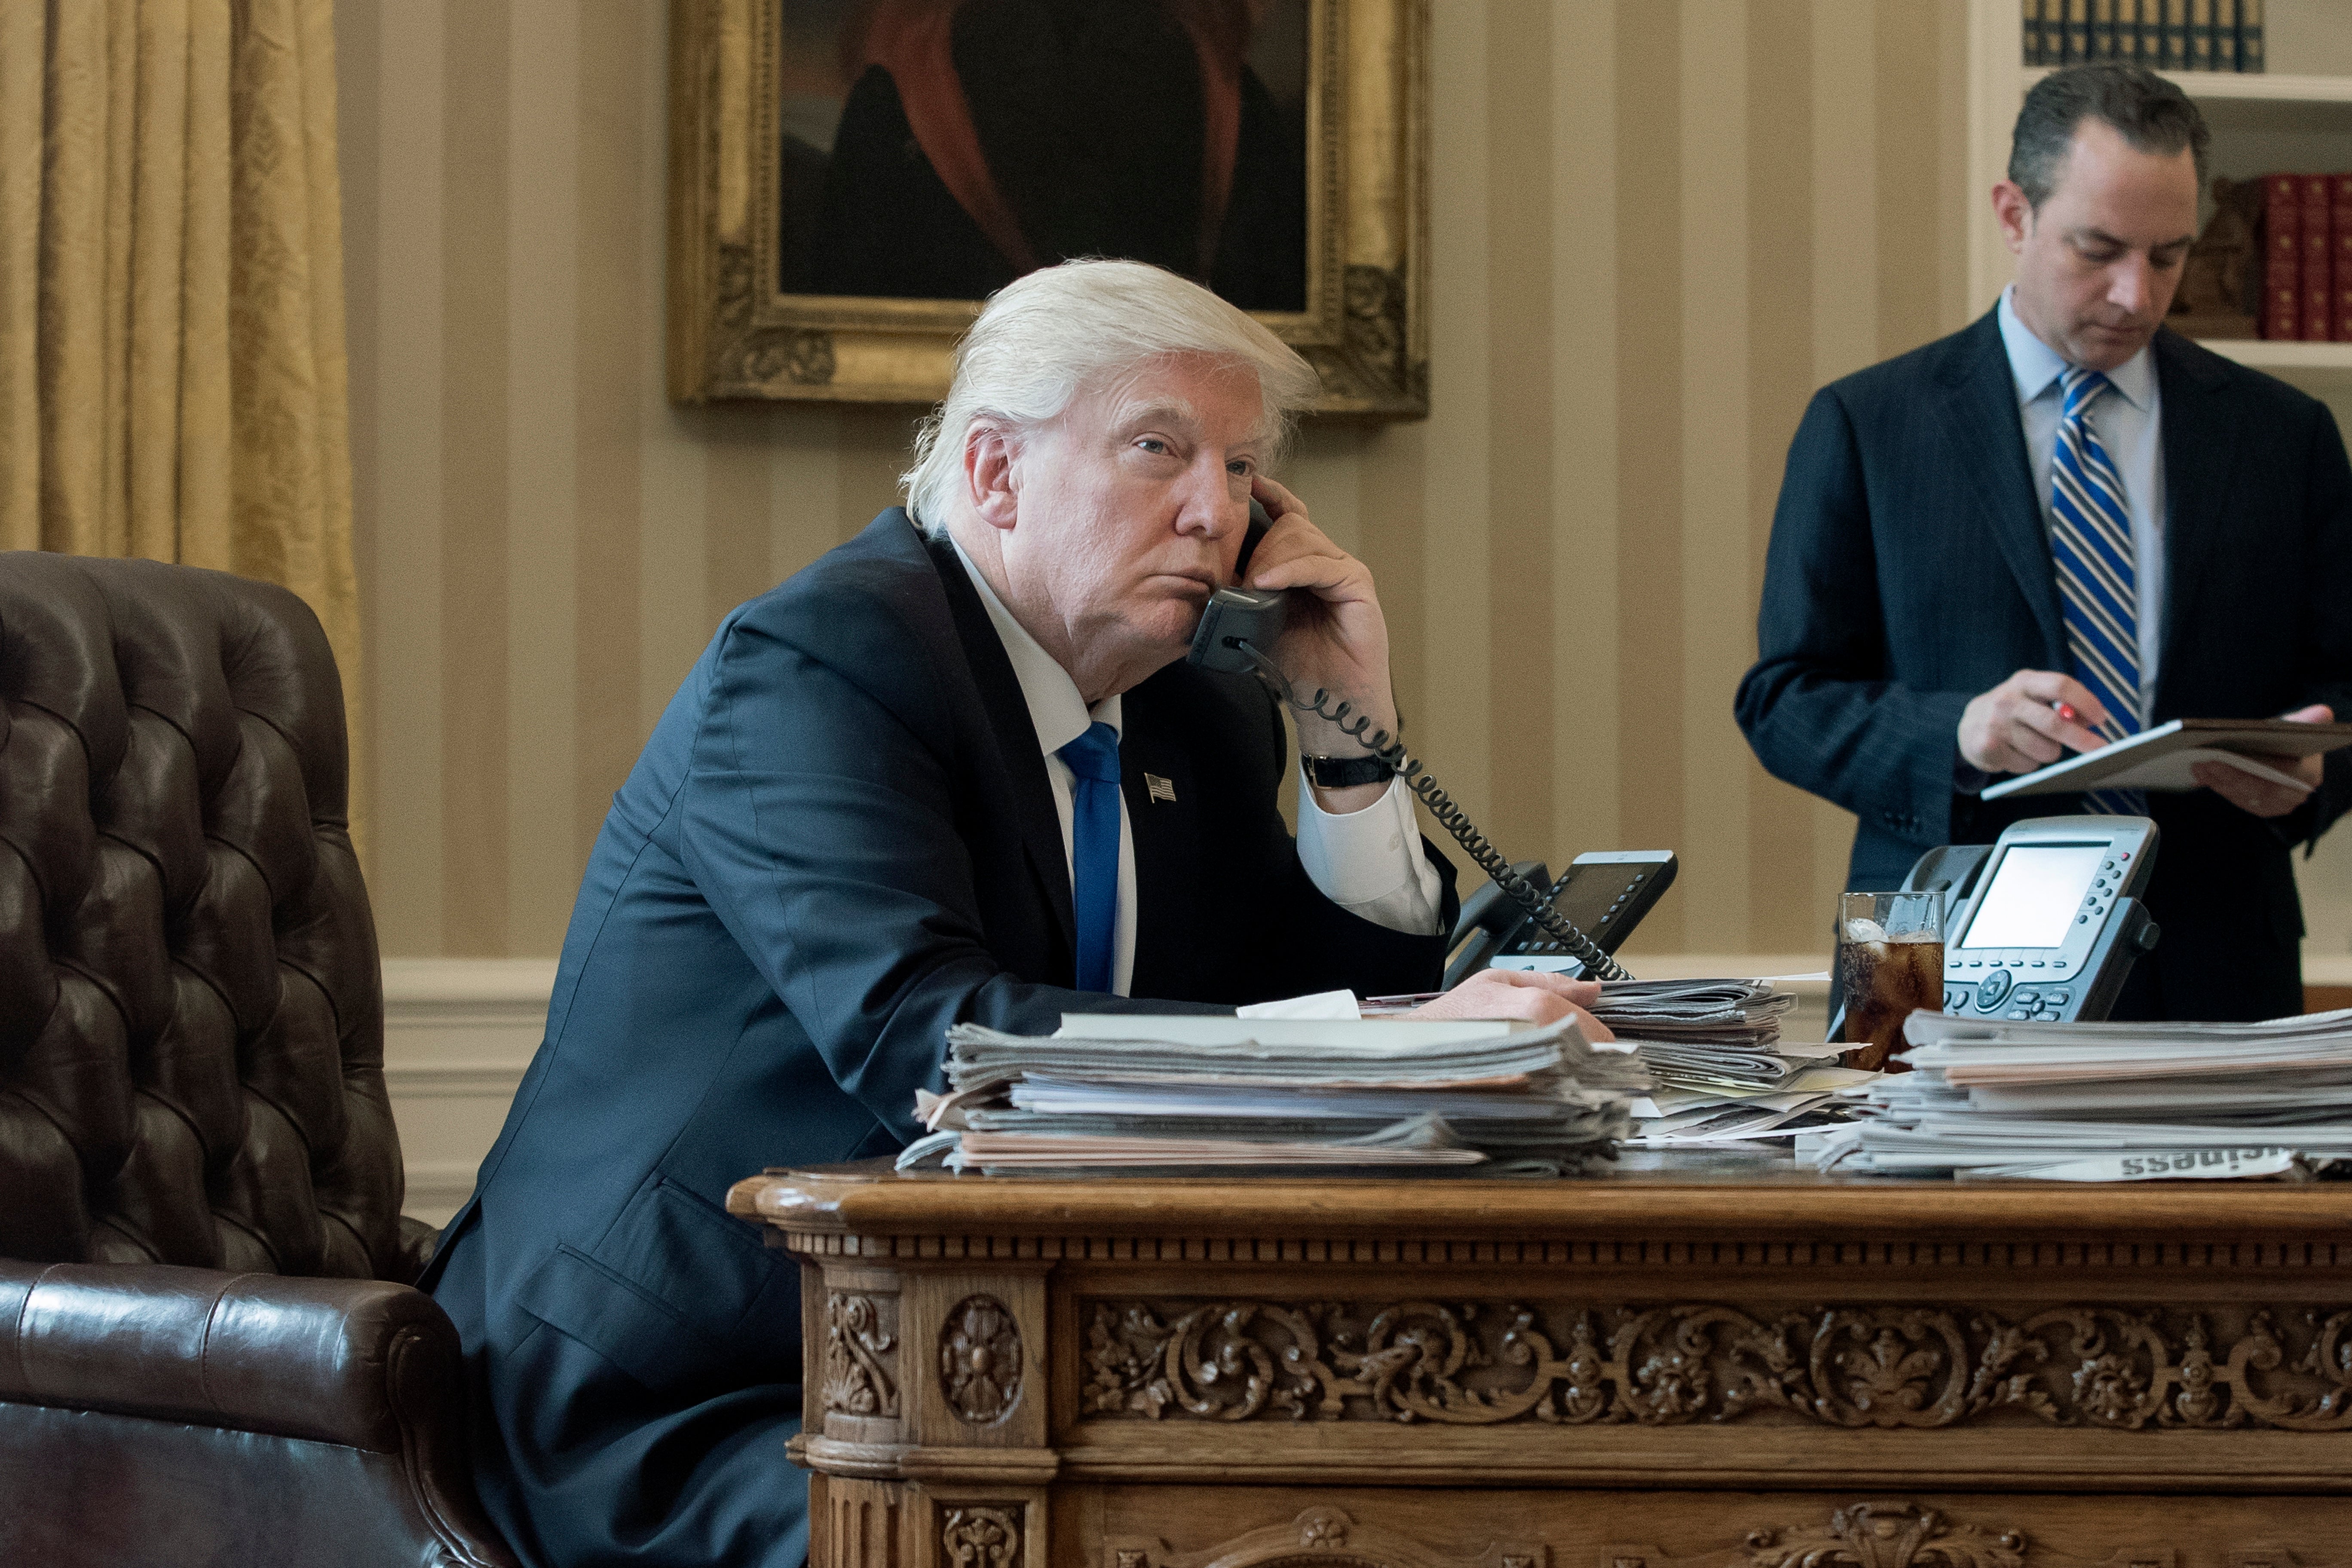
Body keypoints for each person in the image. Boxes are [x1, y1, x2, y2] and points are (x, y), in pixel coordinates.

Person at [423, 258, 1603, 1568]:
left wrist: (1349, 744)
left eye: (1240, 468)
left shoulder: (1201, 715)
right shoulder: (825, 664)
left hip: (1008, 1365)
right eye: (1160, 450)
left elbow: (1305, 1003)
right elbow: (934, 1043)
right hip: (687, 1385)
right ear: (994, 474)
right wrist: (1395, 1046)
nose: (1214, 512)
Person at [1736, 63, 2352, 1024]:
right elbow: (1781, 699)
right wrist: (1959, 734)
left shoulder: (2287, 436)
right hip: (1915, 942)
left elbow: (2345, 682)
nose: (2133, 294)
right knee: (1892, 1176)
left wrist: (2315, 776)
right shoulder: (1866, 422)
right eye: (2098, 249)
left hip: (2217, 947)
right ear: (2015, 214)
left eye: (2168, 256)